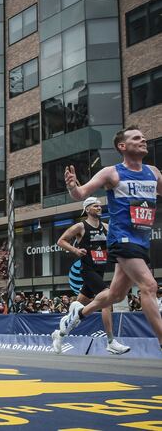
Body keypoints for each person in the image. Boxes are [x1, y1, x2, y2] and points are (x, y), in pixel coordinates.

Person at [56, 126, 162, 350]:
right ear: (122, 147)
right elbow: (81, 194)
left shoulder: (153, 172)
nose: (143, 139)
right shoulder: (111, 173)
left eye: (143, 137)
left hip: (142, 240)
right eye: (136, 138)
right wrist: (72, 185)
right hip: (121, 239)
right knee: (149, 285)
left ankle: (77, 314)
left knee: (115, 294)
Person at [53, 197, 130, 355]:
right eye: (96, 206)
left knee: (76, 315)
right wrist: (75, 250)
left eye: (100, 206)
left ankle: (59, 335)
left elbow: (118, 242)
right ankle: (110, 341)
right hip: (87, 271)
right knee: (107, 300)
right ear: (87, 209)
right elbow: (61, 241)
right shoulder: (81, 226)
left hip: (100, 271)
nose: (99, 208)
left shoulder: (107, 227)